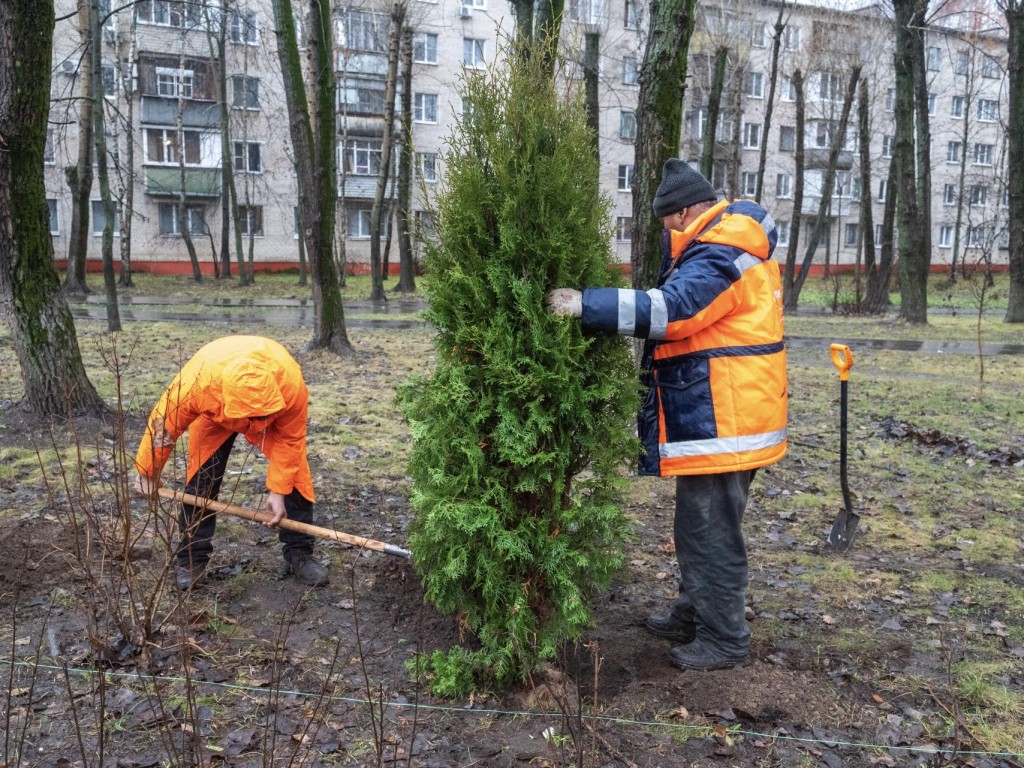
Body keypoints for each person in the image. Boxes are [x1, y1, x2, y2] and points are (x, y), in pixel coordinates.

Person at [546, 158, 787, 670]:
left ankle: (724, 639)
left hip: (727, 419)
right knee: (697, 525)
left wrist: (585, 305)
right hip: (724, 413)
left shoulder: (724, 250)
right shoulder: (721, 242)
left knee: (711, 531)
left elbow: (672, 312)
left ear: (678, 216)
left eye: (662, 223)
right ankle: (694, 611)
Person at [133, 335, 329, 590]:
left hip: (277, 416)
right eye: (251, 416)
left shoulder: (290, 385)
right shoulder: (199, 384)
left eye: (261, 415)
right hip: (216, 415)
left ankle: (299, 554)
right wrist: (148, 471)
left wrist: (278, 490)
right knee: (202, 479)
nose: (254, 423)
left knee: (295, 474)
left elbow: (291, 441)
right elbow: (164, 425)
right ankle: (192, 559)